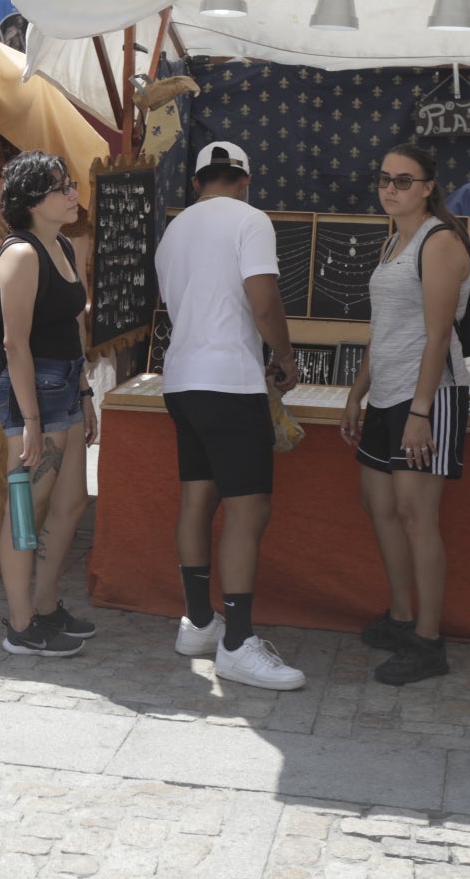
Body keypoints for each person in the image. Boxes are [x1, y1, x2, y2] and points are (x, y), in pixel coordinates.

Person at [155, 142, 305, 690]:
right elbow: (262, 299)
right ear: (246, 179)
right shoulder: (251, 220)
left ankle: (198, 620)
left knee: (198, 495)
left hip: (182, 378)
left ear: (196, 182)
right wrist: (286, 358)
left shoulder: (174, 230)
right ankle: (237, 642)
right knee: (248, 508)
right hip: (231, 381)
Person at [342, 143, 470, 687]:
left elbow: (438, 335)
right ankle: (400, 616)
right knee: (379, 504)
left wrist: (421, 411)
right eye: (384, 179)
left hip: (429, 396)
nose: (390, 188)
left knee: (417, 515)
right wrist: (358, 392)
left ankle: (429, 638)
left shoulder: (439, 242)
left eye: (403, 180)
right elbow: (385, 330)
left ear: (428, 188)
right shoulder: (393, 240)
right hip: (388, 393)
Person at [0, 151, 97, 657]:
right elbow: (15, 343)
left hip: (65, 386)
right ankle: (19, 623)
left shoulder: (62, 246)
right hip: (32, 394)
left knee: (71, 501)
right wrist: (31, 420)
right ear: (32, 200)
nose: (73, 193)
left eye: (71, 183)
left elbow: (72, 328)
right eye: (61, 187)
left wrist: (86, 393)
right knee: (25, 511)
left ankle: (46, 604)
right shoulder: (21, 255)